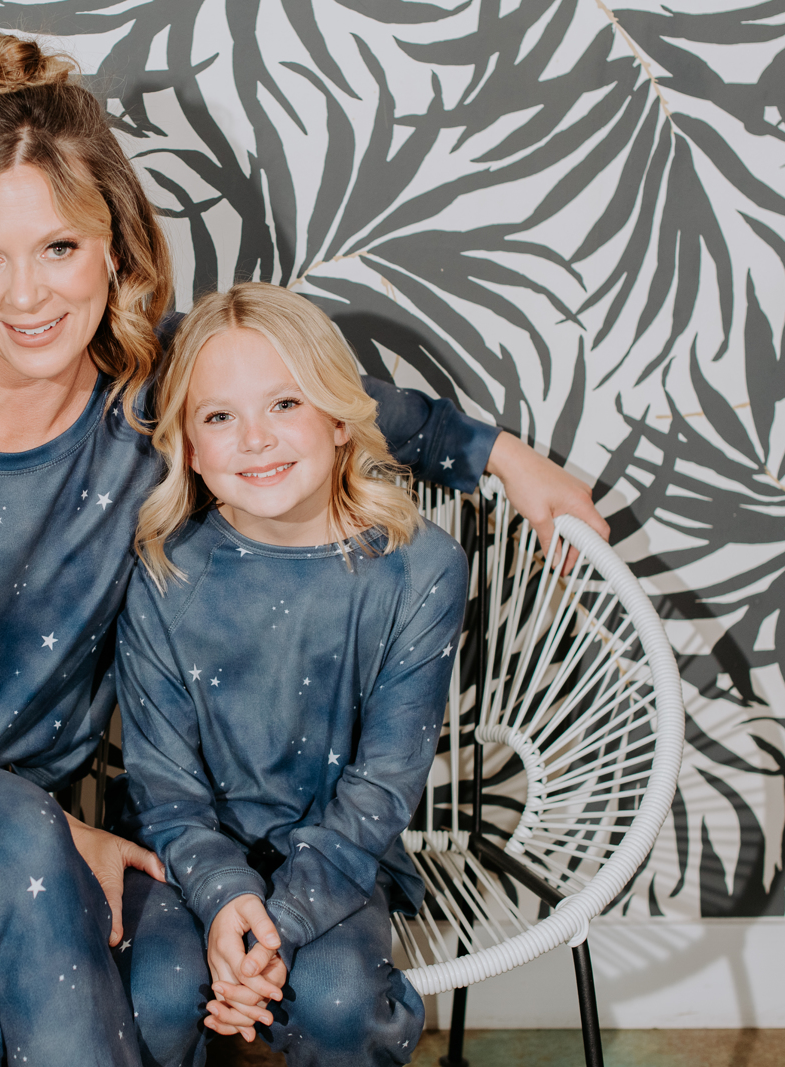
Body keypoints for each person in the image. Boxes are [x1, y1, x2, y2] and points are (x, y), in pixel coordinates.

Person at [0, 34, 605, 1067]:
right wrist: (41, 828)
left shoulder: (154, 396)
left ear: (119, 245)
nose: (24, 297)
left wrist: (498, 455)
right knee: (10, 855)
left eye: (58, 247)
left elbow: (308, 388)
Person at [113, 283, 465, 1066]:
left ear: (339, 418)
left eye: (284, 403)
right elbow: (166, 790)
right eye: (219, 417)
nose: (255, 440)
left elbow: (381, 787)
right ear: (191, 449)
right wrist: (224, 896)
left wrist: (285, 919)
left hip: (341, 861)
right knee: (156, 991)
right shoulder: (165, 573)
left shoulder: (420, 569)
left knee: (337, 1000)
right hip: (188, 858)